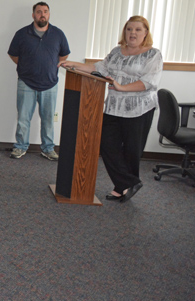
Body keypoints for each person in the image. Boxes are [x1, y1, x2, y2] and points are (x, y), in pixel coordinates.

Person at [60, 15, 162, 203]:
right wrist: (74, 64)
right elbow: (99, 68)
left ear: (146, 32)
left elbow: (149, 82)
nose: (132, 33)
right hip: (114, 107)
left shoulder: (152, 54)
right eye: (129, 29)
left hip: (139, 108)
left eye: (138, 29)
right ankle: (129, 183)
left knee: (131, 150)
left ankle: (121, 187)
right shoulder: (117, 51)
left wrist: (123, 87)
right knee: (106, 144)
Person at [8, 2, 70, 161]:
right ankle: (20, 147)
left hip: (50, 84)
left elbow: (64, 56)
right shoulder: (22, 34)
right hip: (26, 83)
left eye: (45, 12)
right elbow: (14, 55)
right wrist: (27, 67)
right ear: (33, 15)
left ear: (49, 14)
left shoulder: (58, 34)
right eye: (39, 12)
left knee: (48, 119)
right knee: (23, 118)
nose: (42, 14)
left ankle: (48, 149)